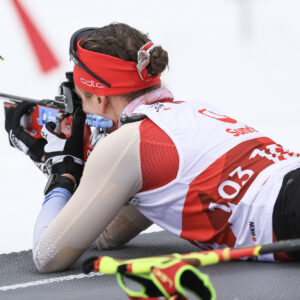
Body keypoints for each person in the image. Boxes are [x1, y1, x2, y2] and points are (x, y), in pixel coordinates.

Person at [5, 23, 300, 273]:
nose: (83, 110)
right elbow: (109, 234)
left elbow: (48, 256)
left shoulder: (126, 143)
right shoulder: (194, 110)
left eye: (81, 100)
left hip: (289, 208)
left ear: (100, 100)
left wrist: (62, 173)